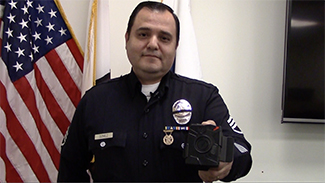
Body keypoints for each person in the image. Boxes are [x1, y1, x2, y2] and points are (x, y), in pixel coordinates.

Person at [57, 1, 252, 182]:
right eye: (143, 34)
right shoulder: (95, 101)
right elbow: (70, 169)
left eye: (164, 38)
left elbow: (242, 150)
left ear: (175, 46)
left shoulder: (203, 98)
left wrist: (226, 159)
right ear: (127, 39)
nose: (152, 44)